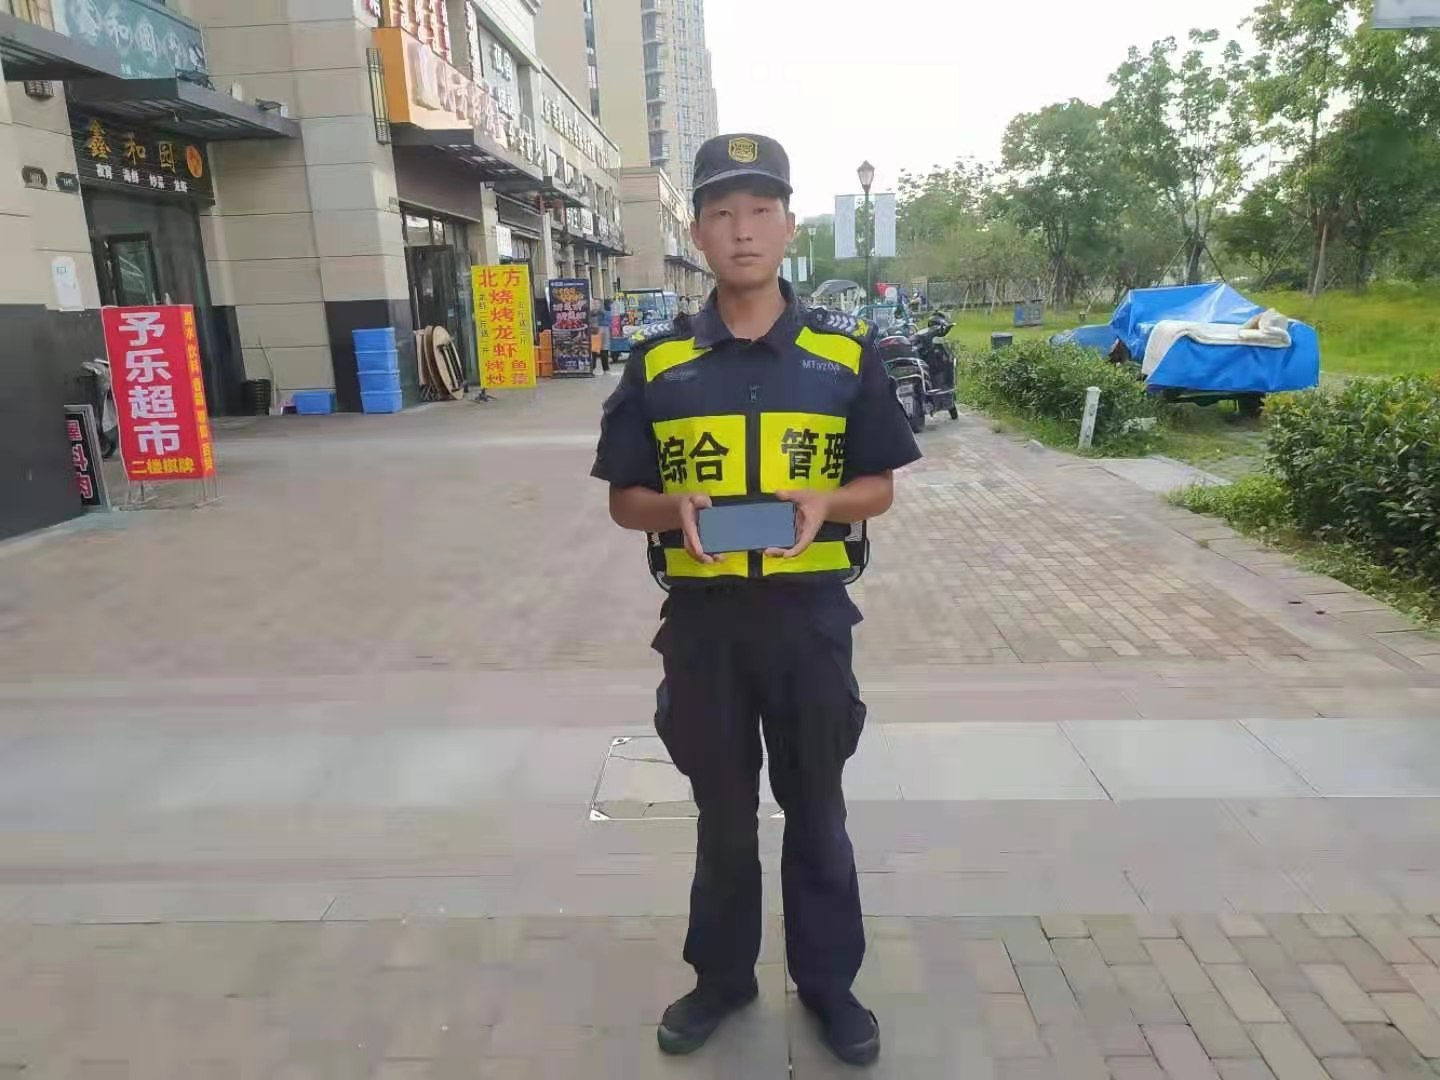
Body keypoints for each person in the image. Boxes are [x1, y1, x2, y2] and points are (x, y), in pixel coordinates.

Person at [591, 133, 921, 1067]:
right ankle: (721, 980)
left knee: (816, 810)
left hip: (809, 622)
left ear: (787, 225)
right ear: (696, 233)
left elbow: (879, 487)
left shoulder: (842, 357)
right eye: (723, 213)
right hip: (703, 629)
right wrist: (673, 508)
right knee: (724, 818)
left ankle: (829, 987)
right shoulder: (656, 365)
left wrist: (825, 503)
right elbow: (624, 500)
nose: (742, 231)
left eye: (761, 211)